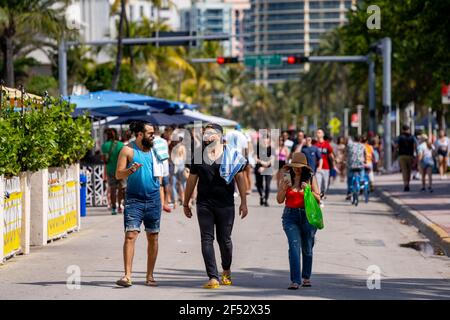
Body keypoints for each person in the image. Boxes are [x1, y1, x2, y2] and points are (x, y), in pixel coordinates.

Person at [183, 123, 248, 289]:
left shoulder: (231, 154)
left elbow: (240, 178)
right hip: (204, 203)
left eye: (210, 133)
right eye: (205, 133)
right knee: (206, 238)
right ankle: (213, 276)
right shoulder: (198, 155)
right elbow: (192, 180)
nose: (206, 136)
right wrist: (186, 202)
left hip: (226, 204)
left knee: (224, 240)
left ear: (219, 135)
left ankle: (226, 270)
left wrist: (244, 202)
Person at [115, 121, 164, 288]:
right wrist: (130, 170)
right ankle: (127, 275)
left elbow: (161, 174)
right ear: (140, 134)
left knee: (153, 236)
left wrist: (162, 199)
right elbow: (118, 174)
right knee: (130, 235)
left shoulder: (156, 149)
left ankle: (150, 276)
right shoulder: (127, 150)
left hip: (153, 199)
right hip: (134, 199)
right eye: (150, 133)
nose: (153, 136)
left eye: (153, 133)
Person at [276, 152, 321, 289]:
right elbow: (279, 200)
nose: (296, 169)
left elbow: (318, 199)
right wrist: (283, 190)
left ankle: (306, 277)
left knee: (307, 247)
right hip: (290, 216)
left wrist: (308, 190)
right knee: (294, 246)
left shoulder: (310, 178)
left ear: (304, 168)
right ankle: (295, 280)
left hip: (307, 216)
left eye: (300, 166)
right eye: (294, 166)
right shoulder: (286, 177)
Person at [101, 128, 125, 215]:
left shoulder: (104, 146)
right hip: (121, 169)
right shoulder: (121, 145)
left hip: (110, 170)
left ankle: (114, 208)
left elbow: (104, 160)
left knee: (112, 189)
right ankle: (120, 207)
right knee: (121, 189)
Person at [254, 133, 274, 206]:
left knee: (267, 185)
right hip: (259, 167)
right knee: (259, 184)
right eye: (264, 138)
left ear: (269, 140)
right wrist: (262, 163)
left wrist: (265, 166)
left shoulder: (271, 148)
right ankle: (261, 196)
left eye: (266, 138)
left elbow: (272, 159)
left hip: (268, 168)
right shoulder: (257, 147)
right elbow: (255, 158)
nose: (265, 140)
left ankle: (266, 199)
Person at [395, 125, 416, 191]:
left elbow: (396, 146)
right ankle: (408, 184)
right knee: (409, 171)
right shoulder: (412, 137)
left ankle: (405, 184)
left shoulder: (400, 137)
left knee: (404, 171)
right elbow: (415, 146)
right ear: (408, 129)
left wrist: (395, 154)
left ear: (402, 130)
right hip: (410, 156)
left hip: (402, 156)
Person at [314, 128, 334, 199]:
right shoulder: (315, 145)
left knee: (325, 185)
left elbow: (331, 154)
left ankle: (323, 194)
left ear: (323, 134)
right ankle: (319, 199)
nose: (318, 134)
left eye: (319, 132)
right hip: (317, 168)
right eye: (317, 132)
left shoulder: (327, 144)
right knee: (318, 185)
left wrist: (334, 163)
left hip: (326, 167)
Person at [345, 136, 366, 200]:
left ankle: (349, 191)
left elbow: (346, 153)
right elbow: (365, 154)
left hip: (351, 165)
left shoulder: (350, 145)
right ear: (360, 140)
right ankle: (362, 185)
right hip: (360, 165)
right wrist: (365, 161)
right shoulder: (363, 146)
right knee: (362, 173)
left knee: (349, 178)